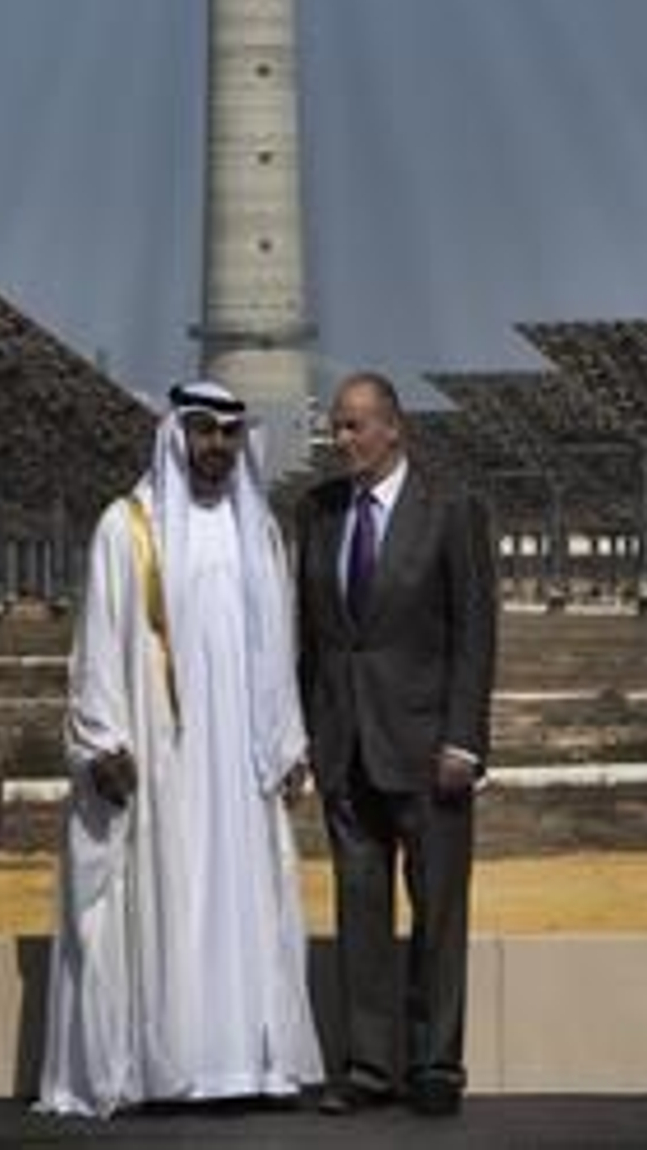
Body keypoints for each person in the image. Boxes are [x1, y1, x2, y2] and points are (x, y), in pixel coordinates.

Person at [37, 379, 324, 1116]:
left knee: (240, 893)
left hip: (240, 766)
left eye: (230, 435)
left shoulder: (258, 532)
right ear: (176, 436)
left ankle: (244, 1064)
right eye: (204, 433)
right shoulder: (126, 527)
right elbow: (98, 642)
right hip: (161, 762)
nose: (217, 449)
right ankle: (169, 1065)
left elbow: (276, 650)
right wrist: (102, 741)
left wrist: (289, 745)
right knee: (167, 890)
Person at [296, 370, 498, 1118]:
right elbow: (310, 638)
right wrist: (313, 735)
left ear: (392, 428)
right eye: (336, 428)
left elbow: (475, 632)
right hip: (346, 749)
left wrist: (464, 740)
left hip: (427, 747)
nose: (340, 440)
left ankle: (437, 1064)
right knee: (360, 909)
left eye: (353, 426)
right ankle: (368, 1066)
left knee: (439, 909)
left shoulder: (450, 510)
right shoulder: (315, 513)